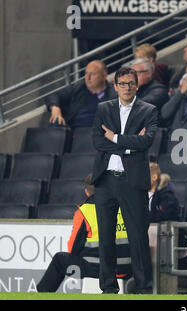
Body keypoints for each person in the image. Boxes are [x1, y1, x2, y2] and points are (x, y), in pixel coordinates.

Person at [91, 66, 158, 294]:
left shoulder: (149, 110)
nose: (127, 87)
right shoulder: (103, 108)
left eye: (131, 83)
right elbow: (98, 142)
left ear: (137, 85)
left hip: (133, 181)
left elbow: (146, 141)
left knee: (138, 237)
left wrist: (116, 138)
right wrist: (129, 147)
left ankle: (143, 289)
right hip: (105, 181)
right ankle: (108, 288)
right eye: (122, 83)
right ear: (115, 86)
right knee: (106, 237)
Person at [37, 174, 132, 293]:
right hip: (129, 267)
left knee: (59, 259)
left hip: (101, 269)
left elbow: (73, 248)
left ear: (87, 192)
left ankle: (42, 294)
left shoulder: (85, 211)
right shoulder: (125, 206)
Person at [46, 60, 117, 128]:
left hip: (96, 132)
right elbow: (53, 95)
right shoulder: (79, 88)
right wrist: (55, 107)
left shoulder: (114, 94)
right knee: (55, 122)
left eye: (92, 74)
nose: (88, 78)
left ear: (104, 76)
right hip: (73, 130)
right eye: (86, 73)